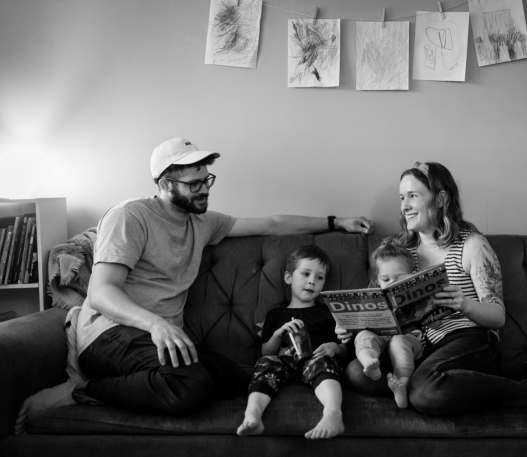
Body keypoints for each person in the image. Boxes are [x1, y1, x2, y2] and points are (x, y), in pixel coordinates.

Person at [14, 137, 373, 435]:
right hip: (110, 334)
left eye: (207, 180)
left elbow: (273, 222)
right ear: (165, 184)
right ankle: (80, 391)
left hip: (162, 338)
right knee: (191, 386)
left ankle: (153, 376)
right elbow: (102, 292)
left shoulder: (202, 223)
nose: (204, 190)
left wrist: (335, 221)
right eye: (194, 184)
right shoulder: (131, 216)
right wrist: (155, 324)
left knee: (236, 379)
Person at [338, 161, 527, 432]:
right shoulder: (401, 251)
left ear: (440, 198)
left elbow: (497, 316)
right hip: (421, 345)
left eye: (413, 196)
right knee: (356, 372)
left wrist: (463, 303)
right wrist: (352, 323)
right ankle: (423, 384)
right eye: (402, 197)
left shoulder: (471, 245)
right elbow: (378, 302)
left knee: (426, 391)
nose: (404, 206)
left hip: (469, 339)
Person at [237, 245, 347, 440]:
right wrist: (279, 333)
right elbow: (265, 352)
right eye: (305, 274)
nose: (312, 281)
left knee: (324, 363)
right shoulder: (275, 314)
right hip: (283, 361)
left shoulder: (328, 312)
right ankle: (253, 413)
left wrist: (335, 347)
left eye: (319, 277)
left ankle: (333, 414)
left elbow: (346, 351)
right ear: (289, 278)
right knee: (266, 364)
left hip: (316, 358)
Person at [351, 238, 424, 409]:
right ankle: (370, 363)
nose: (392, 284)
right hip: (380, 341)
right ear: (377, 280)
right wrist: (346, 327)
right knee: (364, 335)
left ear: (411, 276)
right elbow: (358, 325)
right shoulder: (371, 298)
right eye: (386, 279)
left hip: (408, 341)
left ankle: (402, 388)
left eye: (399, 278)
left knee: (399, 342)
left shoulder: (417, 296)